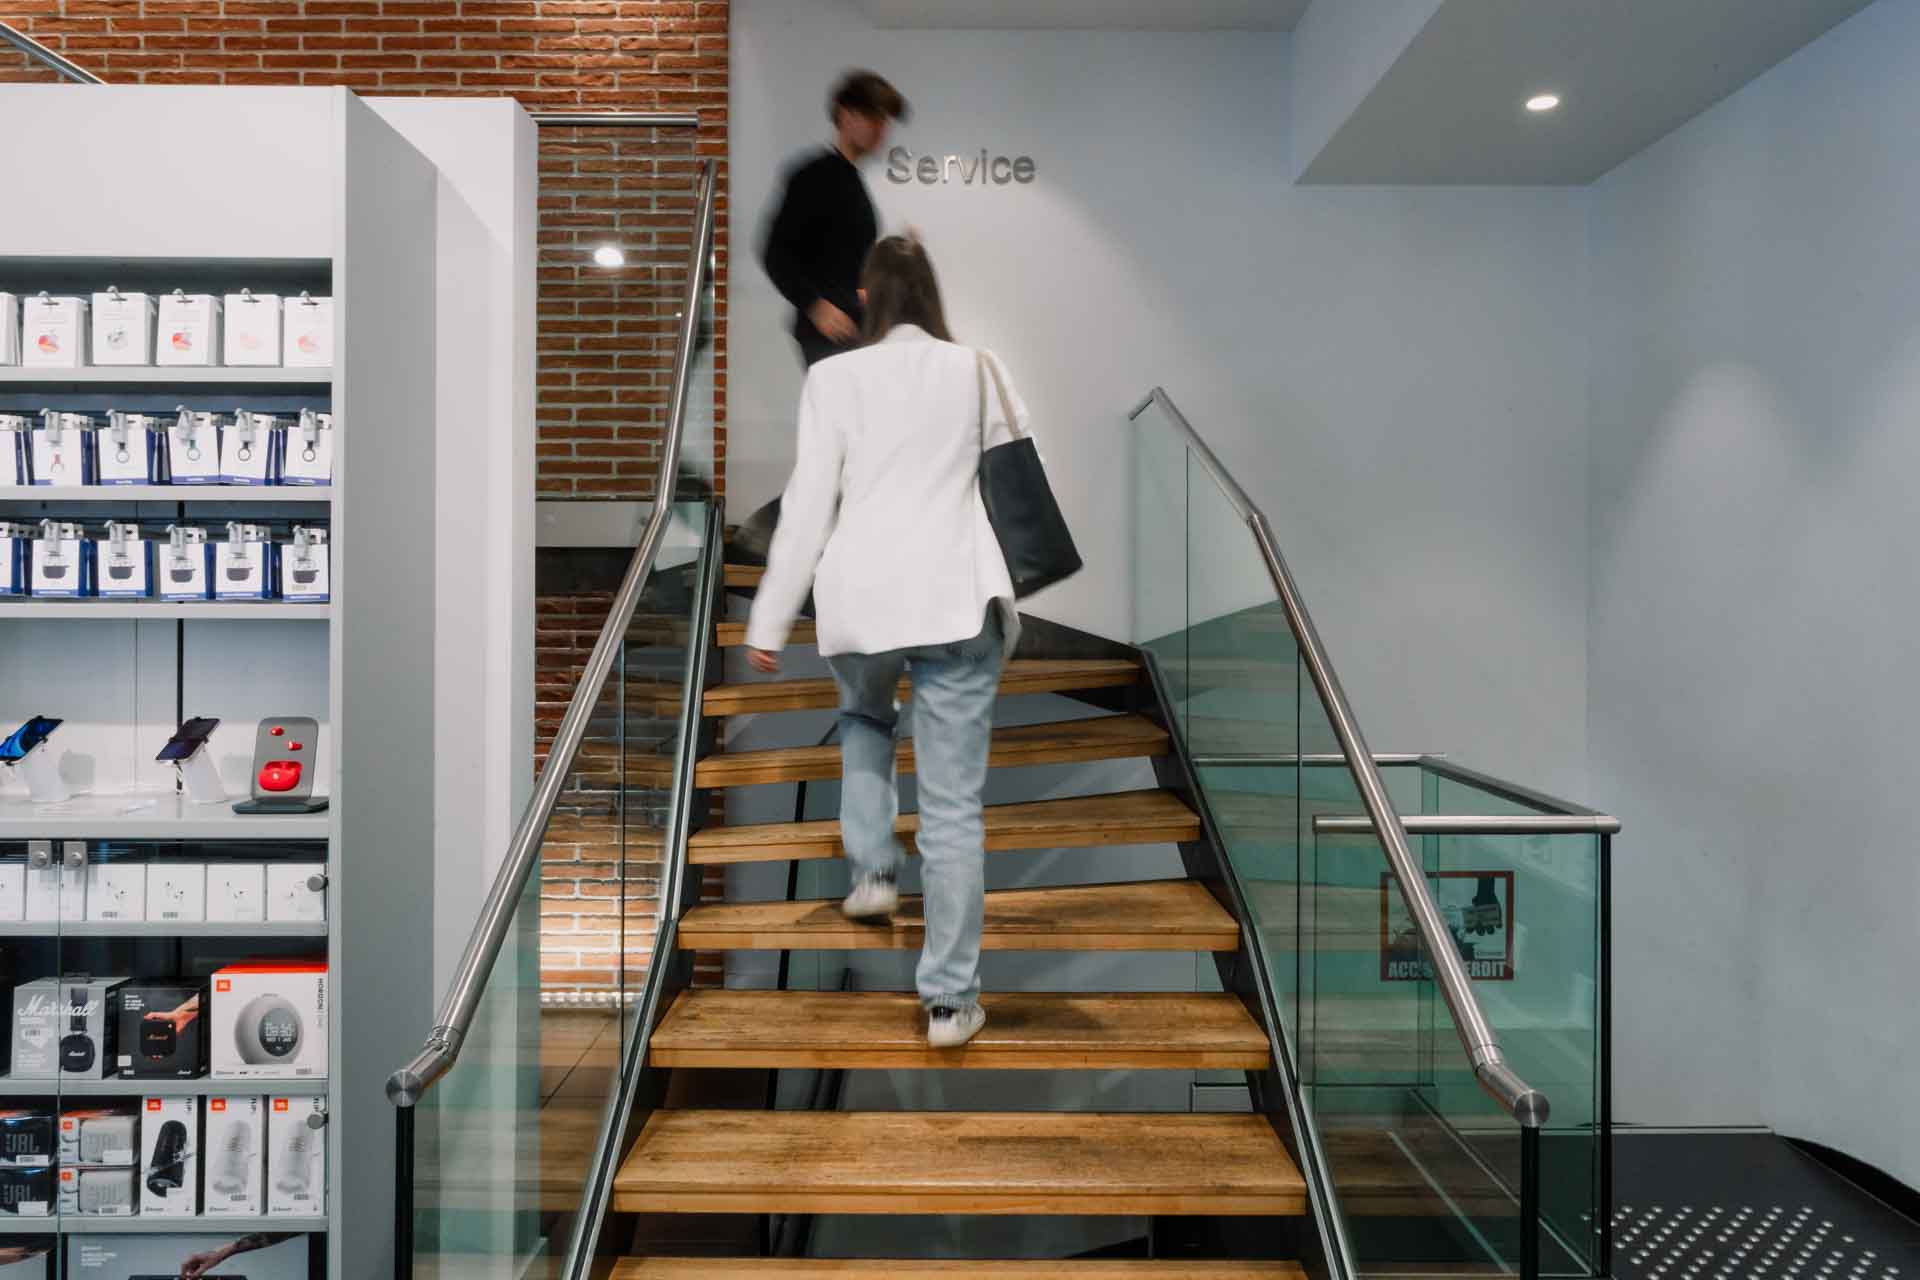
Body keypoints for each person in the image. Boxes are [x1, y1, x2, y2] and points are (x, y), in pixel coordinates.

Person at [744, 236, 1028, 1050]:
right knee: (953, 809)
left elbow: (808, 505)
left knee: (866, 718)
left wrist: (769, 619)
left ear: (866, 298)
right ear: (930, 294)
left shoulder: (834, 378)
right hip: (956, 598)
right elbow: (1018, 477)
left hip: (862, 599)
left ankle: (872, 871)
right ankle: (949, 1004)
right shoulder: (979, 368)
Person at [761, 69, 909, 369]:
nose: (882, 130)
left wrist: (867, 288)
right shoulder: (813, 176)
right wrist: (816, 306)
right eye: (875, 119)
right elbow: (776, 254)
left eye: (885, 122)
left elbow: (840, 260)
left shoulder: (850, 180)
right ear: (846, 115)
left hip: (856, 330)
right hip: (830, 336)